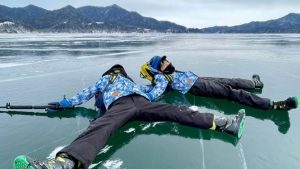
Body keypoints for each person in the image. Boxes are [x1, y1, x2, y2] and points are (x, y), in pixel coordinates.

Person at [13, 64, 245, 169]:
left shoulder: (131, 84)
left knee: (176, 112)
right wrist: (64, 104)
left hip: (140, 102)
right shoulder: (110, 80)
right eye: (117, 71)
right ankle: (64, 163)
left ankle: (225, 123)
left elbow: (153, 93)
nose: (118, 73)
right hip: (123, 105)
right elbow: (87, 93)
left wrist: (161, 78)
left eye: (117, 71)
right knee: (102, 127)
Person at [140, 56, 298, 110]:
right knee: (231, 92)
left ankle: (255, 83)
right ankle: (275, 105)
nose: (167, 62)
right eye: (163, 62)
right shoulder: (161, 78)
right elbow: (155, 93)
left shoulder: (168, 72)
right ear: (158, 69)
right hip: (197, 87)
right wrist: (143, 93)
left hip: (198, 79)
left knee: (230, 81)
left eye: (166, 60)